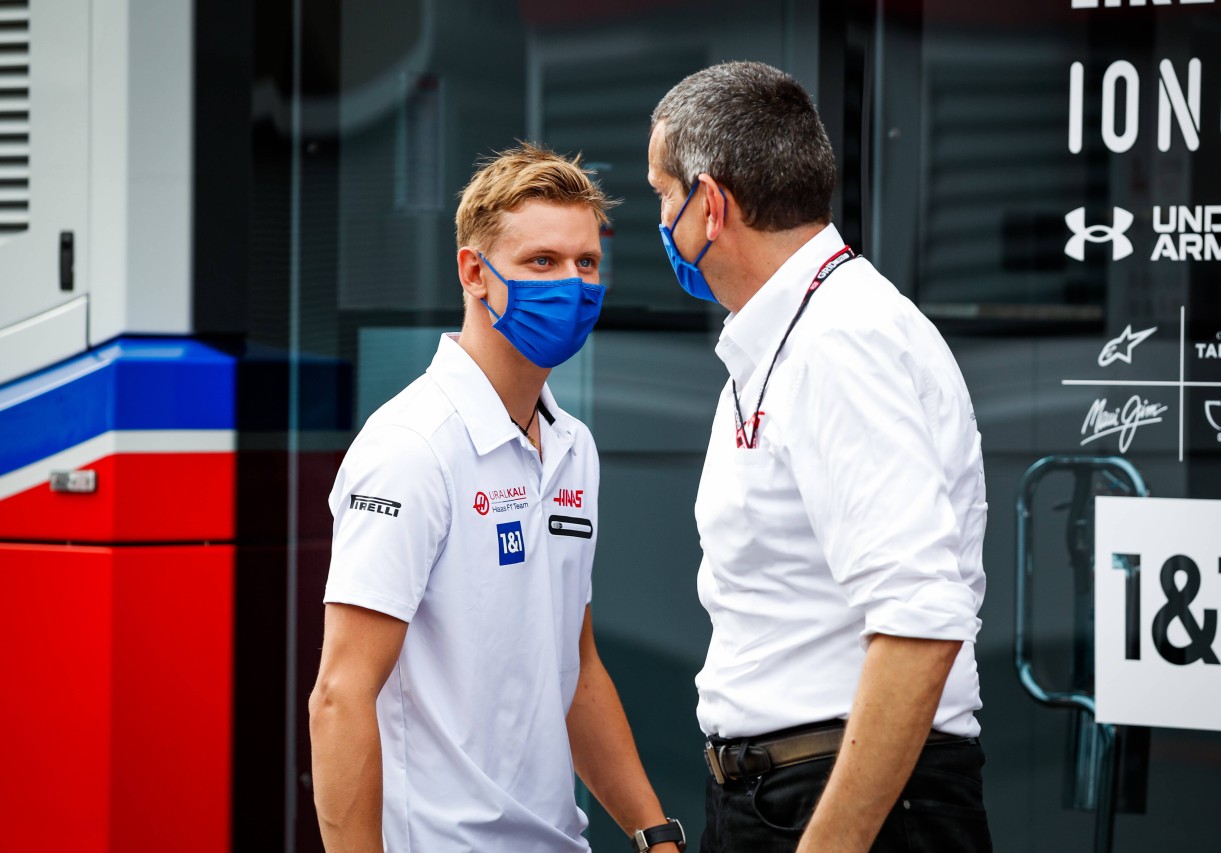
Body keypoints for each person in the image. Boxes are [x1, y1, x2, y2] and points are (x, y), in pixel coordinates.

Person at [648, 62, 991, 853]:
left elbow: (920, 622)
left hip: (843, 803)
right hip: (786, 796)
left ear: (712, 202)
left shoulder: (841, 342)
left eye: (665, 194)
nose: (661, 220)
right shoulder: (789, 334)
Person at [310, 142, 685, 853]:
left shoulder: (573, 446)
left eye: (587, 264)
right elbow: (340, 695)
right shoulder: (412, 446)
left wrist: (655, 833)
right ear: (475, 274)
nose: (572, 285)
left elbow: (574, 673)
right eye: (542, 262)